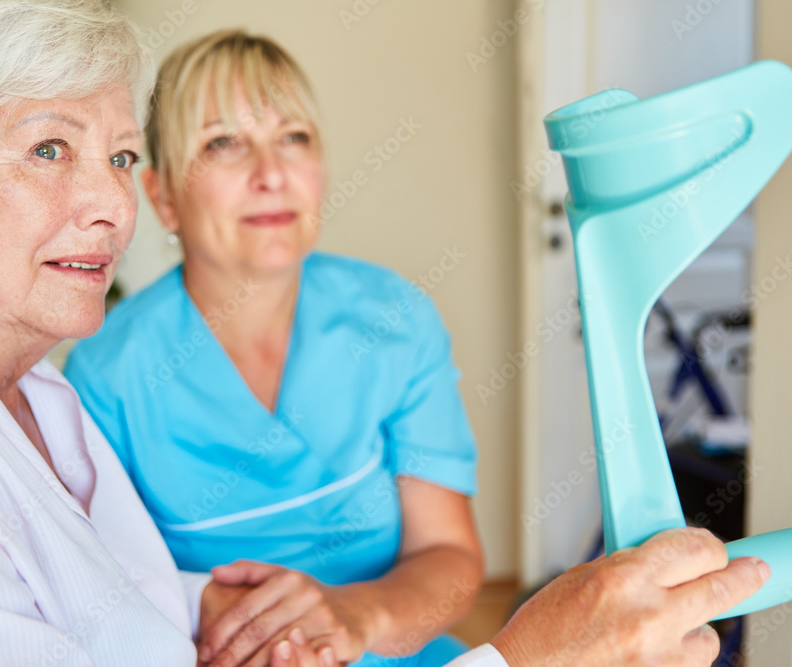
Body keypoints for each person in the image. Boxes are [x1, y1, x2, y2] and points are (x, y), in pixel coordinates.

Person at [0, 0, 769, 665]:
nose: (106, 205)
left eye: (118, 154)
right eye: (49, 148)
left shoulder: (26, 389)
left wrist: (211, 610)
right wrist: (523, 655)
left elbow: (94, 602)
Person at [63, 29, 484, 667]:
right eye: (224, 143)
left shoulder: (395, 319)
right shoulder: (106, 371)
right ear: (164, 198)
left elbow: (449, 558)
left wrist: (354, 617)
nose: (271, 174)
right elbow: (104, 595)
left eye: (294, 138)